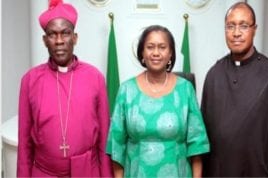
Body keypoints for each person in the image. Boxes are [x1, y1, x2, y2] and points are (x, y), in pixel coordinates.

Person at [17, 0, 113, 177]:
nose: (59, 41)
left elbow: (105, 138)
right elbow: (24, 144)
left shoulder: (95, 78)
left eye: (65, 33)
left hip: (87, 172)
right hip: (44, 173)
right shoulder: (30, 80)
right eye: (52, 34)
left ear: (75, 37)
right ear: (45, 40)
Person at [106, 25, 210, 177]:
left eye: (162, 47)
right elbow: (117, 146)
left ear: (170, 54)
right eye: (150, 47)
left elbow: (197, 145)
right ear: (142, 52)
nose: (156, 53)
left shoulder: (185, 89)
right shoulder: (126, 90)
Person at [201, 2, 268, 177]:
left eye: (243, 26)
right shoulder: (214, 74)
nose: (236, 33)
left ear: (254, 29)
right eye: (230, 26)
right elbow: (204, 136)